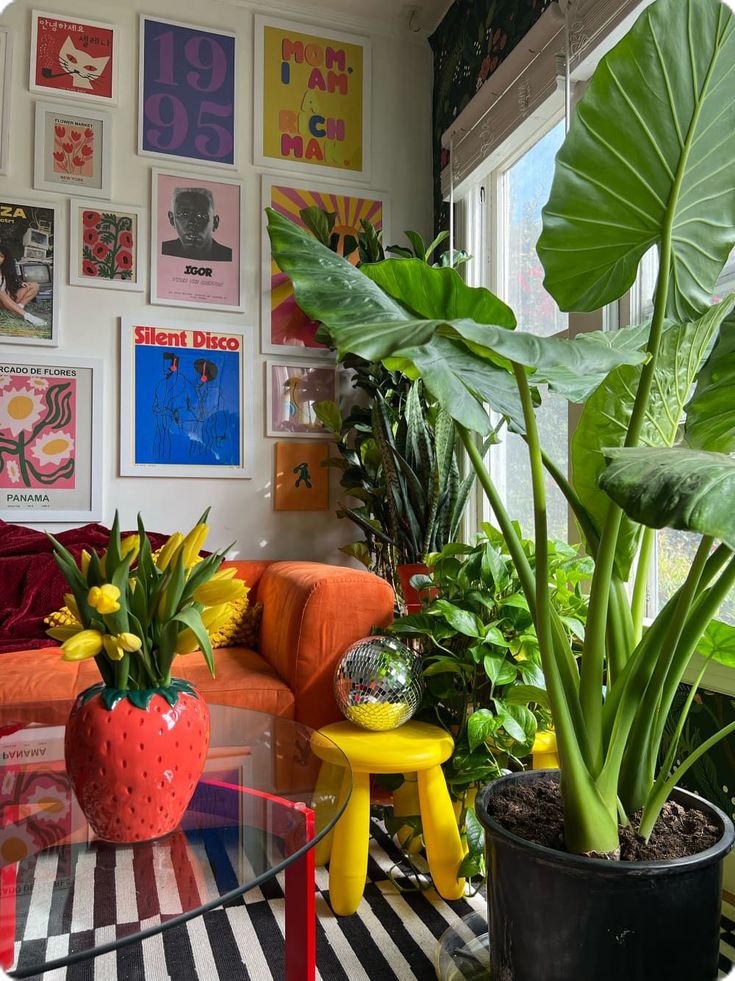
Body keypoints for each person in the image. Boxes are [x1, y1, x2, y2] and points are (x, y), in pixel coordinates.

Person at [161, 187, 232, 261]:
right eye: (184, 214)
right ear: (172, 219)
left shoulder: (228, 256)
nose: (192, 222)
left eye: (201, 215)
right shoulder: (163, 250)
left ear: (215, 222)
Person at [0, 244, 46, 327]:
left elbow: (12, 281)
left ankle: (19, 308)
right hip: (1, 299)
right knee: (1, 292)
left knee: (34, 285)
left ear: (5, 259)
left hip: (8, 299)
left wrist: (20, 283)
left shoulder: (5, 269)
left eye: (1, 256)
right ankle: (27, 316)